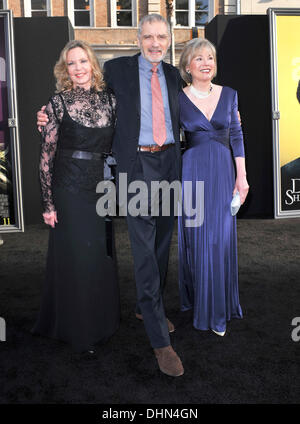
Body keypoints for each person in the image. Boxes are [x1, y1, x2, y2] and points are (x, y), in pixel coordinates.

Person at [37, 15, 184, 377]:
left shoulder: (173, 75)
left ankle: (146, 306)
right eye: (147, 36)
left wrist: (229, 115)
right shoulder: (118, 69)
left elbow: (196, 102)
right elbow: (80, 98)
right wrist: (46, 115)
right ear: (137, 38)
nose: (154, 43)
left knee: (163, 243)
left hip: (169, 165)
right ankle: (159, 341)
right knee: (144, 251)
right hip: (136, 168)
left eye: (160, 37)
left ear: (169, 39)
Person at [32, 40, 120, 353]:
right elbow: (46, 155)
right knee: (77, 260)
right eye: (72, 63)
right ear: (65, 70)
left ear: (93, 64)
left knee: (99, 257)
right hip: (68, 188)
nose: (79, 68)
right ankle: (80, 331)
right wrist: (48, 204)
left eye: (83, 61)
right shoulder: (58, 102)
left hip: (100, 186)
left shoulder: (110, 101)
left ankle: (102, 322)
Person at [178, 38, 249, 337]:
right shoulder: (177, 98)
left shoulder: (230, 95)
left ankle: (217, 309)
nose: (206, 62)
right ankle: (198, 300)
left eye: (210, 57)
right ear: (187, 66)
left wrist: (241, 177)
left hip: (222, 170)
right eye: (199, 58)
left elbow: (237, 136)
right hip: (192, 172)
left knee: (218, 240)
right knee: (196, 239)